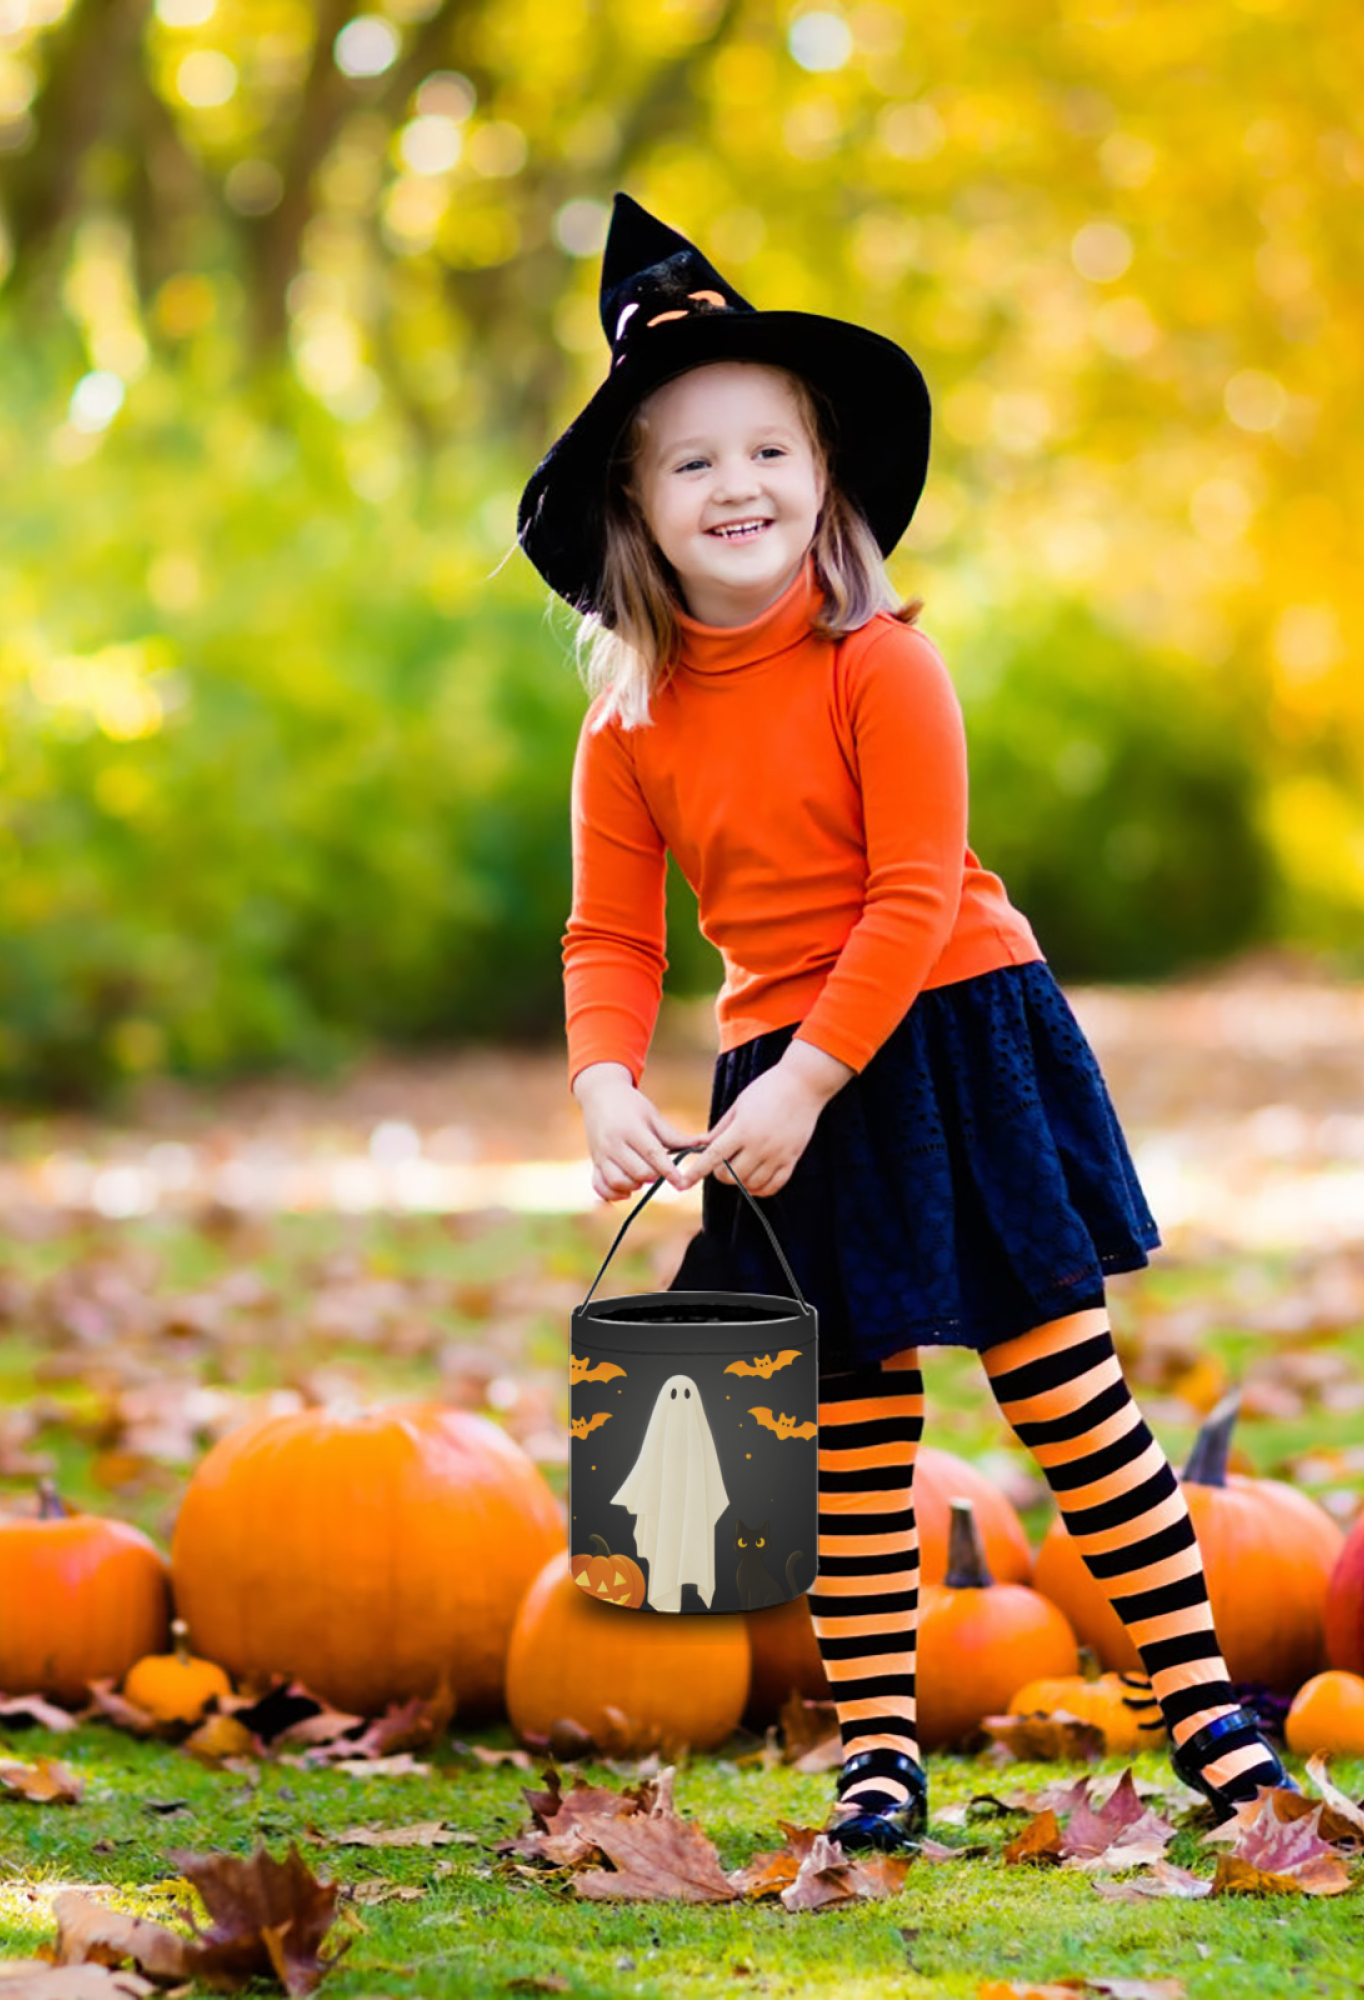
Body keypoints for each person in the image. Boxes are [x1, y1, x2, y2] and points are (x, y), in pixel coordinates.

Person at [519, 193, 1297, 1854]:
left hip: (945, 1036)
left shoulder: (882, 666)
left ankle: (1208, 1713)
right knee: (857, 1427)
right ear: (635, 512)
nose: (735, 487)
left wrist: (811, 1077)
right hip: (781, 1076)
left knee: (1064, 1395)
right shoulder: (631, 727)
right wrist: (602, 1083)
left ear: (825, 479)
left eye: (768, 453)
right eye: (689, 463)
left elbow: (911, 892)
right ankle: (882, 1746)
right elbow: (609, 932)